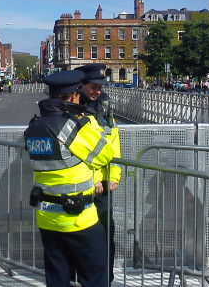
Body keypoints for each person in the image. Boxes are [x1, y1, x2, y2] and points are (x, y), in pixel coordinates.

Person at [24, 70, 115, 287]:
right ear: (74, 96)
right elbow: (105, 154)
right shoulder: (73, 125)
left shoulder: (33, 127)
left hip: (47, 217)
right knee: (94, 279)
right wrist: (87, 121)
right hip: (79, 218)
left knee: (57, 278)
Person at [75, 63, 121, 284]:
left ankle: (105, 280)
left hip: (104, 186)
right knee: (81, 238)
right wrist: (93, 181)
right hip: (83, 185)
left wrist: (113, 177)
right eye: (93, 87)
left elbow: (114, 144)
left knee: (105, 237)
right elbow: (77, 152)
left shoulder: (105, 107)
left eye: (100, 87)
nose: (98, 91)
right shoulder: (72, 108)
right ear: (80, 85)